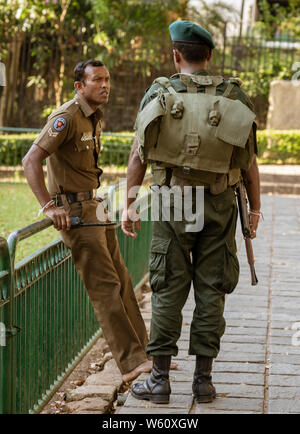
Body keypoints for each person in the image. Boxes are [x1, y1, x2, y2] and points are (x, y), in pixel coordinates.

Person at [122, 21, 261, 404]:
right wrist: (256, 209)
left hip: (173, 201)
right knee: (212, 288)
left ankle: (160, 381)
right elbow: (248, 162)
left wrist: (129, 204)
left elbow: (138, 153)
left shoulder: (160, 93)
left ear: (175, 55)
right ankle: (203, 381)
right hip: (219, 202)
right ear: (210, 56)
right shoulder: (234, 95)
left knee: (167, 287)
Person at [22, 59, 155, 383]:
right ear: (79, 86)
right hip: (75, 213)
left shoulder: (92, 116)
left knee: (122, 281)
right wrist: (49, 207)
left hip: (94, 205)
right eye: (97, 80)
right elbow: (31, 160)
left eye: (107, 79)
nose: (105, 85)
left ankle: (146, 353)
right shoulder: (66, 117)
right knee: (105, 288)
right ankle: (130, 363)